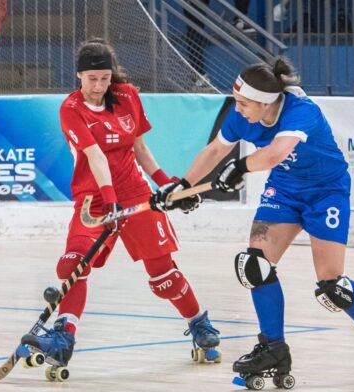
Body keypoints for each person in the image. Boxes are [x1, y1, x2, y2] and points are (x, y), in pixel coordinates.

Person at [151, 57, 354, 386]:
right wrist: (183, 186)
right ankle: (273, 348)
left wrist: (243, 166)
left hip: (325, 192)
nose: (239, 109)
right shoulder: (242, 115)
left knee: (332, 286)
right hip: (285, 191)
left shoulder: (301, 111)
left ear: (265, 102)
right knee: (254, 265)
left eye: (245, 104)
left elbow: (275, 153)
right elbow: (215, 151)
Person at [21, 39, 221, 371]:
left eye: (104, 78)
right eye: (91, 79)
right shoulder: (71, 109)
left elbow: (140, 148)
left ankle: (200, 324)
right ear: (79, 76)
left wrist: (166, 184)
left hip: (135, 194)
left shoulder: (127, 95)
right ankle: (64, 335)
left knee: (164, 277)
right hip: (95, 200)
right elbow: (95, 156)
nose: (98, 86)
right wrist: (110, 203)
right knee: (73, 266)